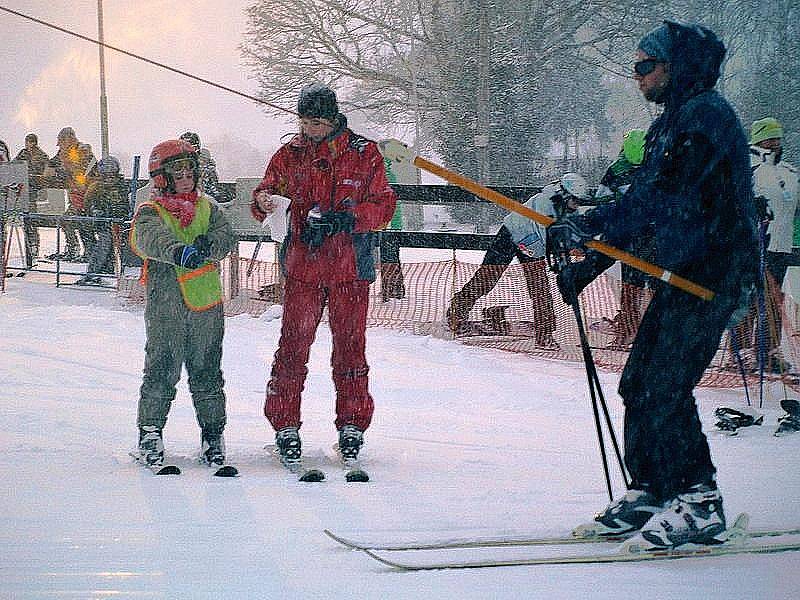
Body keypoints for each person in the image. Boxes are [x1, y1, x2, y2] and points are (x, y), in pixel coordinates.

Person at [547, 21, 758, 550]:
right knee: (639, 382)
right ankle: (652, 489)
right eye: (634, 68)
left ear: (675, 67)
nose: (637, 78)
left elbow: (670, 202)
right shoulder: (671, 123)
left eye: (645, 67)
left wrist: (593, 224)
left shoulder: (705, 119)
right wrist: (589, 256)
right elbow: (647, 210)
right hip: (682, 271)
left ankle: (699, 500)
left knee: (665, 385)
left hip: (712, 273)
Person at [250, 82, 397, 465]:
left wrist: (346, 219)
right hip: (302, 268)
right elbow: (266, 193)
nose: (309, 130)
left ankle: (352, 424)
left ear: (332, 120)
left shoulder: (364, 153)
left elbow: (383, 206)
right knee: (292, 347)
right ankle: (284, 424)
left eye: (316, 123)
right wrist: (264, 201)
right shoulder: (289, 154)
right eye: (304, 122)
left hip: (350, 269)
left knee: (350, 348)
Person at [129, 139, 236, 468]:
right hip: (167, 307)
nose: (187, 178)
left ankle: (213, 434)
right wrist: (178, 250)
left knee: (207, 372)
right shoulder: (151, 211)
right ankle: (150, 432)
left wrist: (211, 244)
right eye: (178, 172)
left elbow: (226, 236)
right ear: (161, 177)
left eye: (191, 171)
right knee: (161, 369)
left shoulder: (208, 208)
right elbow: (148, 238)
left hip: (206, 307)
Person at [446, 173, 590, 348]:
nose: (577, 204)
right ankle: (456, 312)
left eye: (579, 201)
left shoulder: (569, 209)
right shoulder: (544, 203)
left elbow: (572, 231)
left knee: (540, 289)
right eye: (574, 200)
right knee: (486, 279)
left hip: (533, 248)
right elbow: (547, 236)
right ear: (564, 193)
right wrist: (562, 250)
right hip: (512, 235)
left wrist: (580, 244)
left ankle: (545, 333)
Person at [730, 117, 798, 373]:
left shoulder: (789, 171)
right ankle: (741, 351)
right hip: (753, 242)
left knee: (773, 300)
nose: (775, 142)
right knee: (747, 298)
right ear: (758, 139)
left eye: (778, 137)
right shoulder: (748, 165)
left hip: (781, 245)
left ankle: (768, 352)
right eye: (769, 137)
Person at [592, 129, 649, 348]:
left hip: (653, 235)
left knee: (654, 284)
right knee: (631, 285)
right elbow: (603, 199)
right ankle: (628, 330)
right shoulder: (615, 171)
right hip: (629, 234)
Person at [76, 156, 130, 285]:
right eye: (107, 177)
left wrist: (121, 213)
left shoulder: (121, 186)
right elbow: (89, 204)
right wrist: (97, 212)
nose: (110, 180)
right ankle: (94, 271)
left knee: (115, 247)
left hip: (118, 223)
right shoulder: (96, 187)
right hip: (102, 224)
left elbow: (125, 204)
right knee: (101, 246)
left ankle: (107, 270)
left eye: (112, 176)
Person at [45, 127, 96, 261]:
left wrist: (61, 171)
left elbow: (80, 172)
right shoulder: (64, 153)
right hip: (76, 196)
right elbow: (51, 166)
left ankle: (85, 252)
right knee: (72, 222)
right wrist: (50, 169)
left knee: (80, 223)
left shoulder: (82, 150)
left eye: (62, 142)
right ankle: (77, 250)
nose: (60, 146)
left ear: (69, 139)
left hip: (88, 196)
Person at [14, 133, 49, 266]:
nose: (27, 144)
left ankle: (33, 247)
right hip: (24, 191)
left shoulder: (40, 155)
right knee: (27, 220)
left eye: (29, 141)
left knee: (31, 220)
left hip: (33, 191)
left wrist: (35, 177)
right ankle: (31, 247)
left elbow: (45, 172)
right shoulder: (23, 153)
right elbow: (15, 165)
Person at [179, 131, 228, 204]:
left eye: (192, 147)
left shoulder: (206, 167)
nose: (188, 151)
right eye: (184, 148)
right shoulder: (174, 165)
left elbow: (212, 190)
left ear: (197, 148)